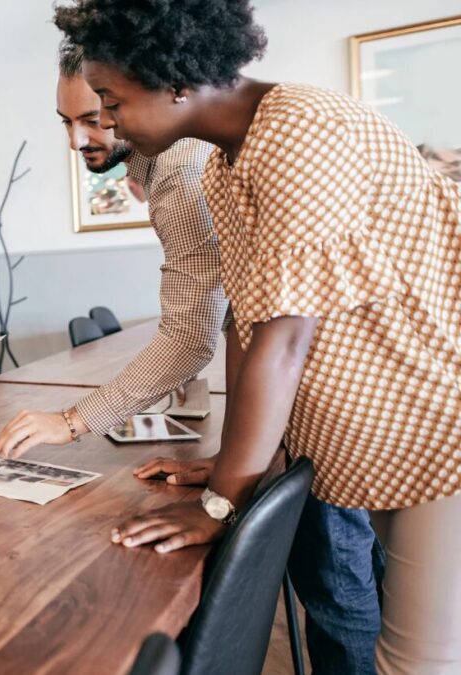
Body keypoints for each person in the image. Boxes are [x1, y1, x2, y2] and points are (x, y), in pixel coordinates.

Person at [55, 2, 461, 673]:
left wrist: (221, 504)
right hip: (383, 436)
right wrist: (231, 465)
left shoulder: (301, 131)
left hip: (434, 425)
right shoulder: (225, 165)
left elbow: (286, 336)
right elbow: (247, 324)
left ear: (174, 80)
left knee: (417, 661)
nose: (109, 122)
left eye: (111, 101)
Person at [0, 43, 225, 460]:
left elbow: (191, 337)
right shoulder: (169, 161)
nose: (75, 140)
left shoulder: (180, 168)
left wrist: (70, 422)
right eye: (66, 122)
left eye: (93, 118)